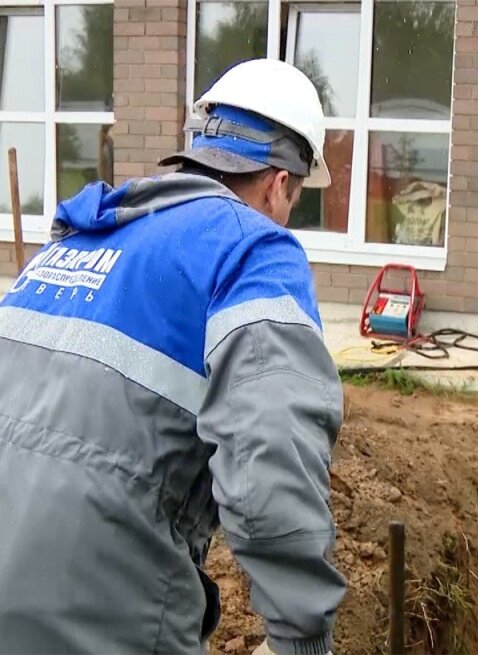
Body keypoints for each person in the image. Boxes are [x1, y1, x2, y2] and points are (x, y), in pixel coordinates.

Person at [0, 58, 345, 655]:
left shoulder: (74, 243)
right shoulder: (251, 251)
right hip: (104, 620)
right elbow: (272, 462)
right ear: (279, 183)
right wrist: (302, 637)